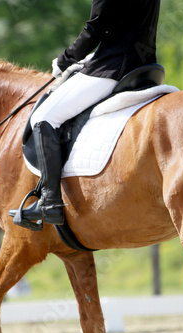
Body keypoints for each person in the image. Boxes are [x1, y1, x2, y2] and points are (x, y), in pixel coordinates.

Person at [10, 0, 161, 226]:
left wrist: (66, 59)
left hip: (113, 66)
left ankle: (49, 202)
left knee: (43, 118)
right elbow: (128, 26)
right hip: (144, 64)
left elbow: (95, 28)